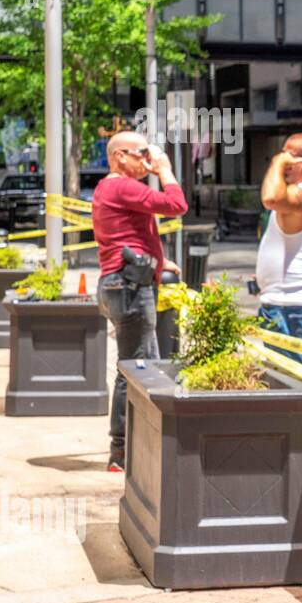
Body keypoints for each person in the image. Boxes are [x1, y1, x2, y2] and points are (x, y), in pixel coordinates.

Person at [92, 131, 187, 472]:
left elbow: (128, 235)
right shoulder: (123, 186)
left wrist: (161, 263)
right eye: (141, 153)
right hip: (130, 288)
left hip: (120, 283)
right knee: (133, 368)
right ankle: (121, 452)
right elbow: (177, 205)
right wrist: (165, 170)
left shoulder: (109, 188)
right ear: (119, 157)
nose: (147, 159)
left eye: (151, 154)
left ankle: (145, 446)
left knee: (148, 366)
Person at [255, 132, 302, 464]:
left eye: (288, 156)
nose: (282, 161)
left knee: (299, 381)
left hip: (295, 309)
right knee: (281, 382)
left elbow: (271, 198)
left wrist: (276, 162)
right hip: (283, 305)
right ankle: (296, 446)